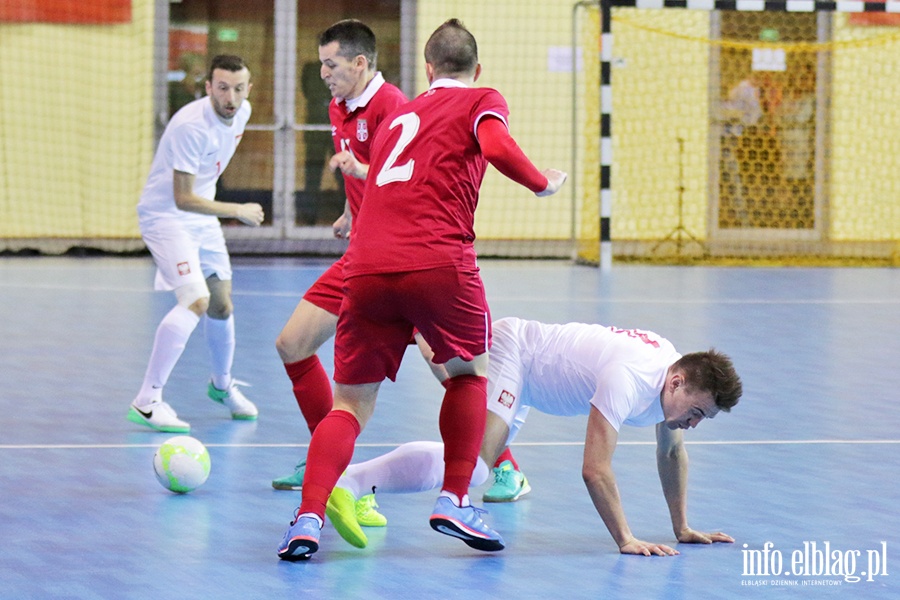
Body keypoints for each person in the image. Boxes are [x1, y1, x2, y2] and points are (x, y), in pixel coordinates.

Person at [277, 19, 567, 561]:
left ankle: (309, 516)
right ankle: (455, 499)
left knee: (349, 405)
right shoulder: (482, 97)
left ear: (428, 69)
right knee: (467, 375)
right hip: (438, 261)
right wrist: (542, 183)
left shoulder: (399, 114)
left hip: (365, 267)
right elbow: (496, 144)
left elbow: (384, 183)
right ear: (476, 70)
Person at [320, 318, 743, 556]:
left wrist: (682, 527)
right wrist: (626, 539)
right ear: (677, 382)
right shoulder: (628, 378)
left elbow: (671, 455)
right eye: (695, 413)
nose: (693, 424)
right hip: (519, 353)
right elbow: (594, 470)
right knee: (476, 464)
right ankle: (348, 482)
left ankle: (353, 481)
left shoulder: (671, 378)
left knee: (474, 468)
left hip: (533, 380)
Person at [127, 55, 263, 433]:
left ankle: (221, 386)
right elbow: (182, 198)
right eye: (222, 87)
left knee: (221, 303)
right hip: (166, 216)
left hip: (201, 218)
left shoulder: (244, 111)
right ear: (207, 88)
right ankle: (147, 400)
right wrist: (237, 209)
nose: (230, 97)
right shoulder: (190, 126)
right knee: (196, 301)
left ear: (248, 89)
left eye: (238, 88)